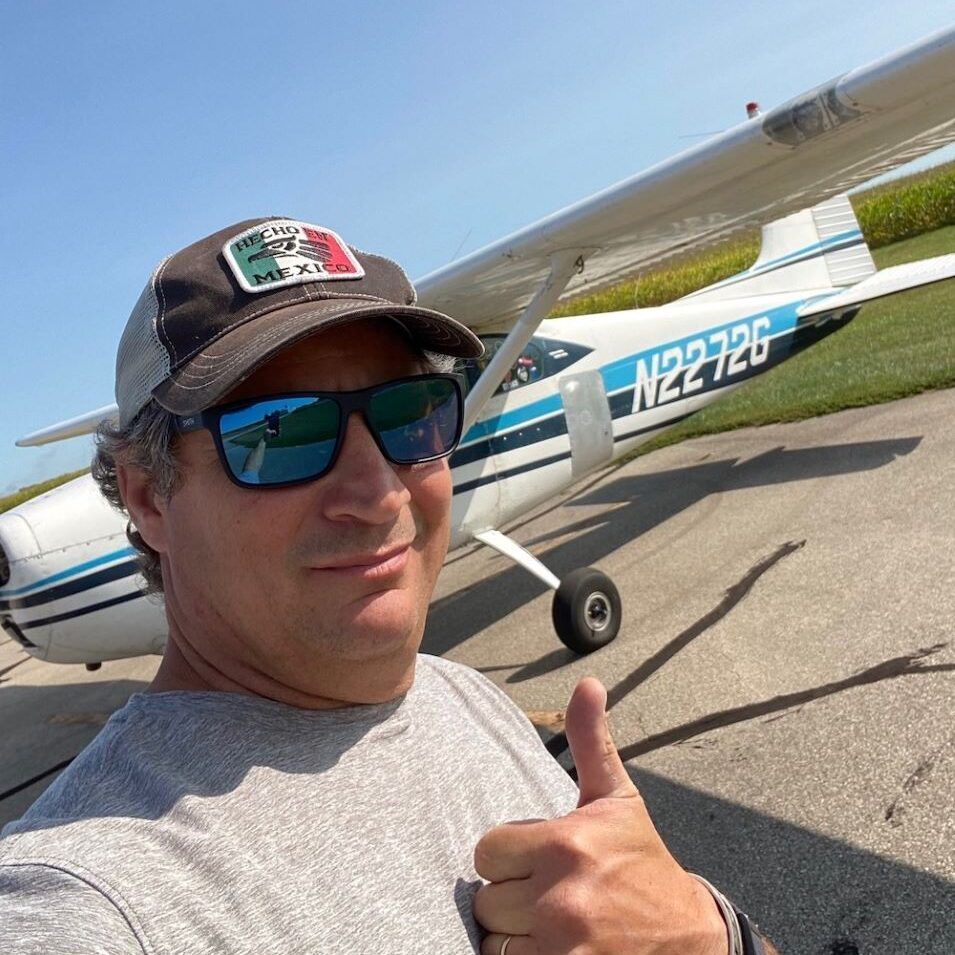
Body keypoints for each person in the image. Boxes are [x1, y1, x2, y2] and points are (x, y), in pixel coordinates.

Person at [0, 218, 777, 954]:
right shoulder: (85, 897)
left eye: (412, 412)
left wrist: (707, 932)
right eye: (279, 432)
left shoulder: (459, 693)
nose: (378, 493)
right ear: (147, 498)